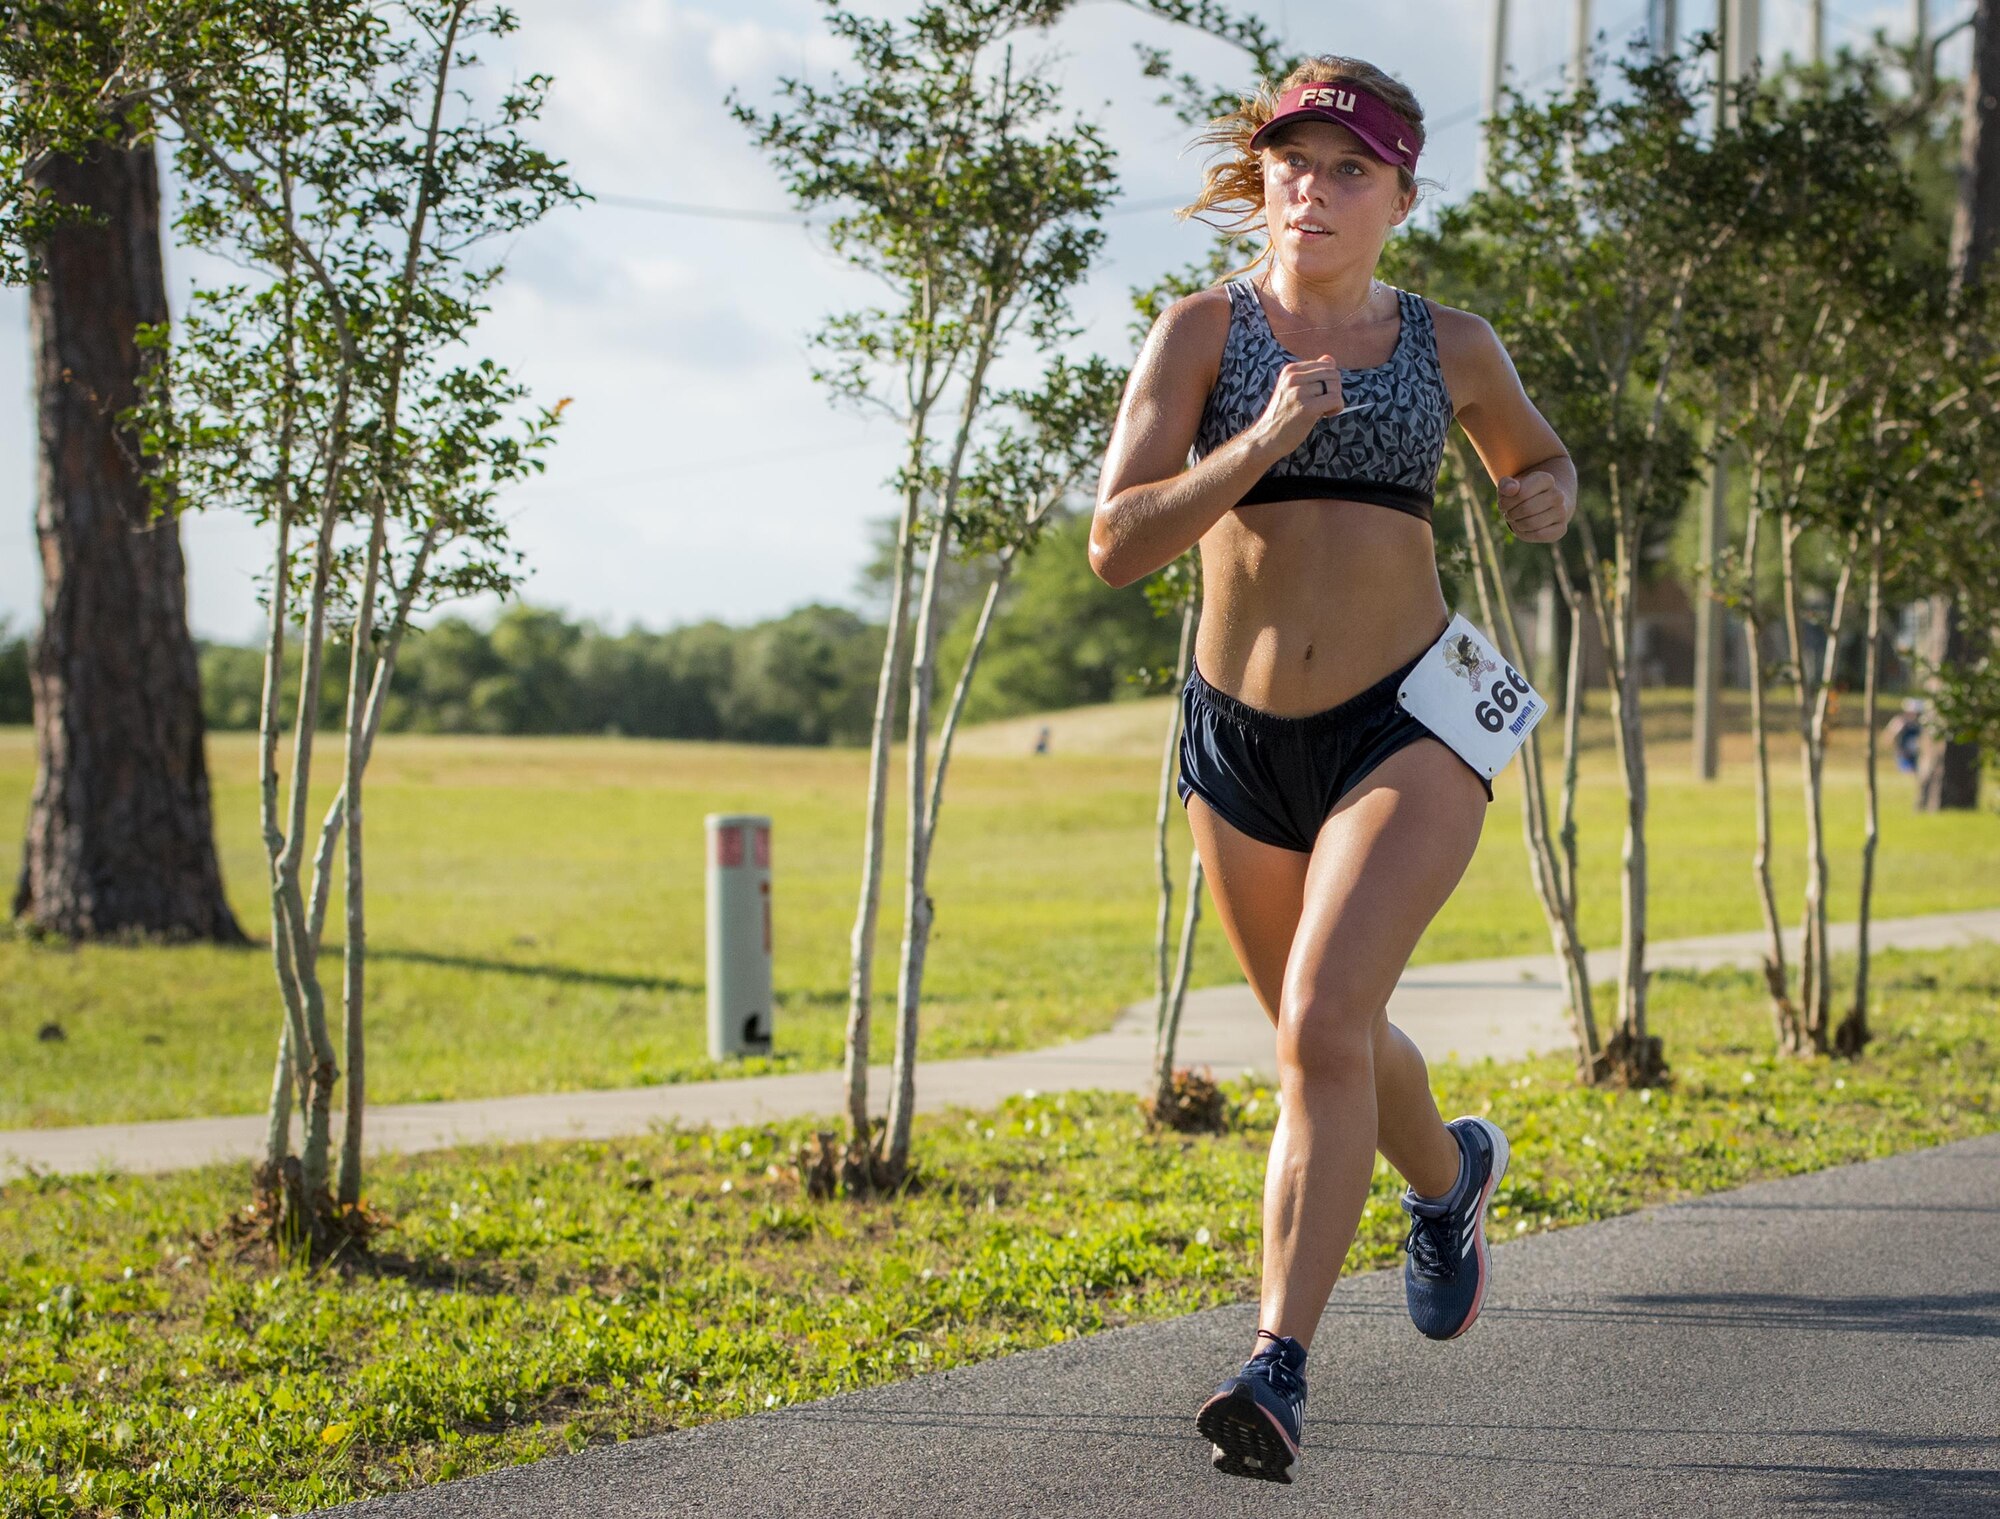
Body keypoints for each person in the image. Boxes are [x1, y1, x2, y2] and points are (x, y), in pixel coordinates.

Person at [1089, 58, 1574, 1485]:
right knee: (1328, 1034)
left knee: (1318, 1020)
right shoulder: (1200, 332)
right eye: (1293, 161)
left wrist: (1541, 494)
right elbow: (1118, 546)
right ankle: (1451, 1178)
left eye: (1349, 167)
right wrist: (1262, 439)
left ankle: (1276, 1367)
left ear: (1400, 197)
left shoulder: (1452, 342)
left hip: (1412, 724)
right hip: (1237, 743)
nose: (1315, 186)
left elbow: (1535, 469)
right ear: (1265, 181)